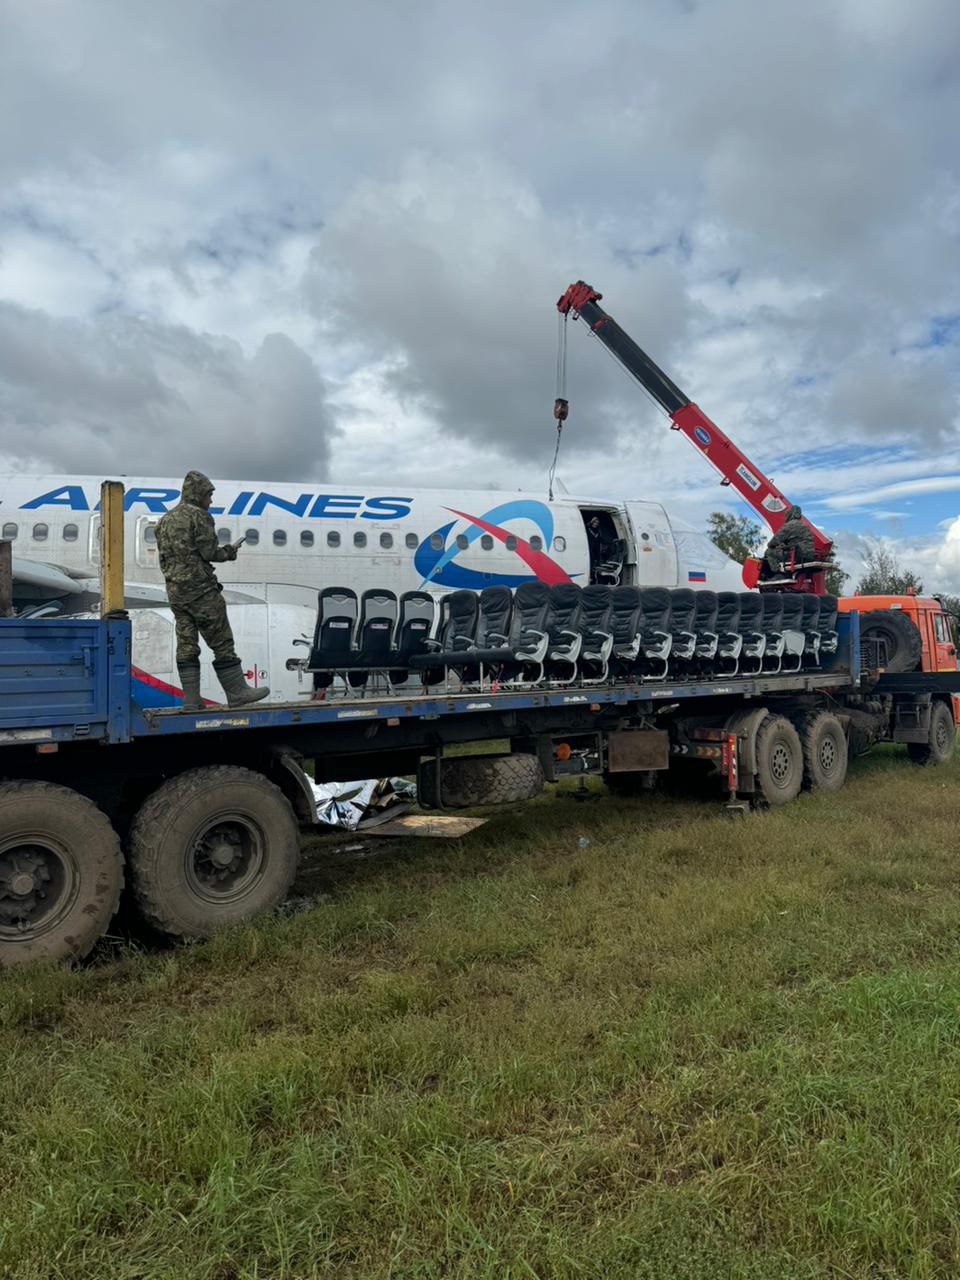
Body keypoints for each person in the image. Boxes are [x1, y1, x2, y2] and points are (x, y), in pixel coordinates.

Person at [156, 470, 270, 710]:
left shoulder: (165, 519)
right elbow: (209, 553)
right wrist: (228, 552)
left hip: (176, 592)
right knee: (222, 642)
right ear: (198, 495)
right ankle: (237, 693)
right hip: (201, 591)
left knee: (187, 643)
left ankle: (191, 700)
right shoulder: (199, 516)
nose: (211, 500)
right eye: (209, 495)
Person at [762, 505, 815, 579]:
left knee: (769, 551)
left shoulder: (790, 525)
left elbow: (773, 542)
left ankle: (777, 573)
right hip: (808, 555)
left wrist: (773, 545)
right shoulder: (805, 526)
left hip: (796, 555)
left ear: (789, 515)